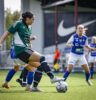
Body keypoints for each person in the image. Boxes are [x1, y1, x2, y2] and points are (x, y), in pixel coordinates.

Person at [0, 11, 64, 91]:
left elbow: (23, 38)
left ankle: (34, 87)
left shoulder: (29, 27)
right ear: (27, 19)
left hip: (26, 50)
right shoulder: (18, 24)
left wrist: (31, 39)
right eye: (33, 19)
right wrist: (0, 43)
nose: (34, 21)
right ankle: (52, 77)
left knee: (39, 67)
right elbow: (7, 32)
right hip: (21, 50)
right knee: (42, 58)